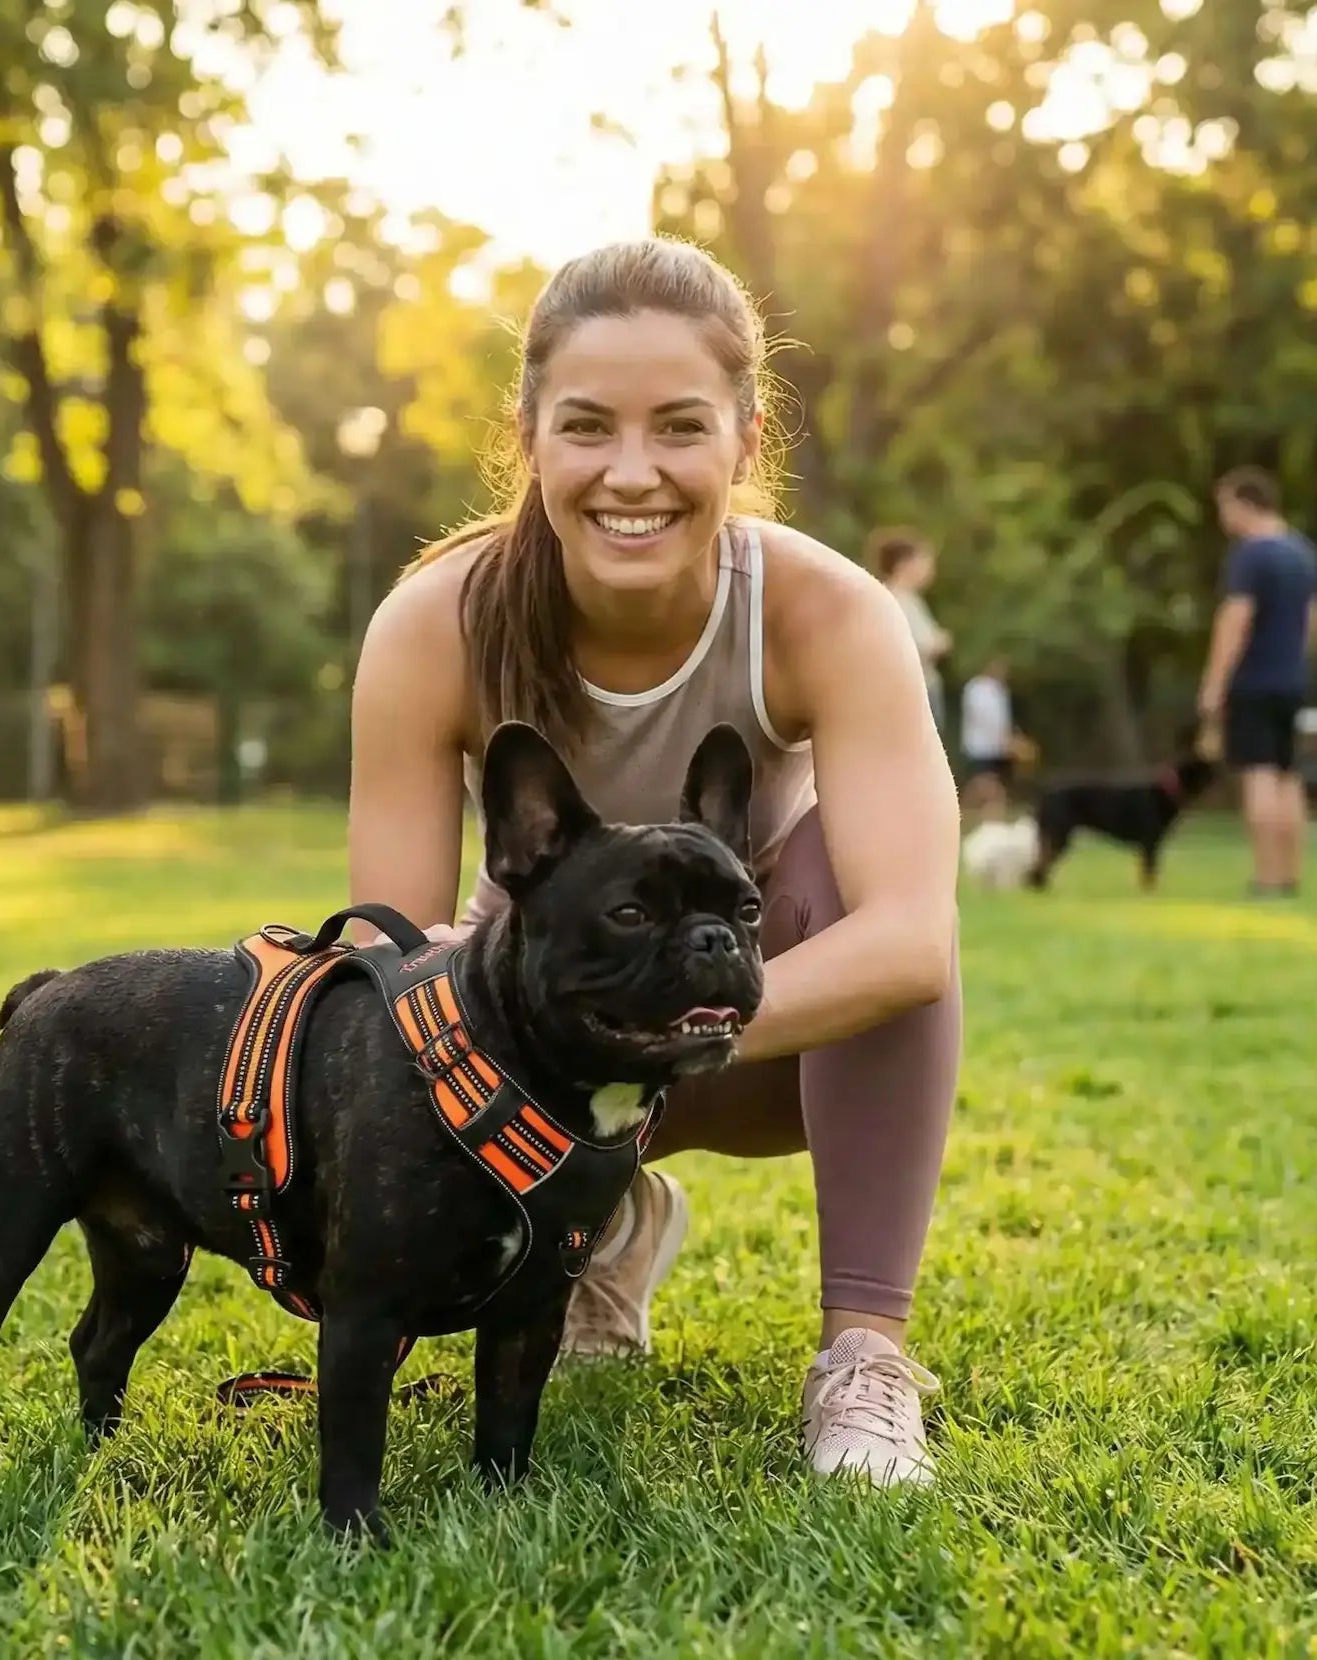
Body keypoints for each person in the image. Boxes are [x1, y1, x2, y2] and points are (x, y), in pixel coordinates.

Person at [348, 238, 961, 1487]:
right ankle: (591, 1218)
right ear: (528, 435)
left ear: (744, 436)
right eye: (587, 427)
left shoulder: (826, 612)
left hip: (768, 1050)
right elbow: (378, 957)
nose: (633, 473)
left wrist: (672, 1018)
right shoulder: (435, 622)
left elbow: (911, 941)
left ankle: (864, 1350)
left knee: (857, 866)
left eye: (679, 427)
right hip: (524, 1058)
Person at [1197, 467, 1317, 897]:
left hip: (1254, 681)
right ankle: (1291, 875)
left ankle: (1267, 878)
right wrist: (1296, 661)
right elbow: (1314, 619)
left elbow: (1236, 619)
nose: (1222, 519)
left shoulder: (1252, 555)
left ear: (1244, 504)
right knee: (1289, 776)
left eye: (1224, 507)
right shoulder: (1303, 552)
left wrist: (1214, 683)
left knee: (1259, 774)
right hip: (1292, 679)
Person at [869, 529, 952, 737]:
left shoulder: (912, 600)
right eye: (923, 561)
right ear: (905, 564)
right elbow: (910, 646)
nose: (929, 569)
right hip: (912, 692)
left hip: (924, 686)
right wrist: (938, 643)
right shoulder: (895, 599)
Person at [959, 657, 1018, 822]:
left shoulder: (999, 690)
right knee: (989, 782)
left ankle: (965, 811)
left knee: (980, 783)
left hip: (997, 746)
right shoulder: (976, 688)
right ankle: (995, 814)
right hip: (980, 744)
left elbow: (1003, 719)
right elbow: (984, 717)